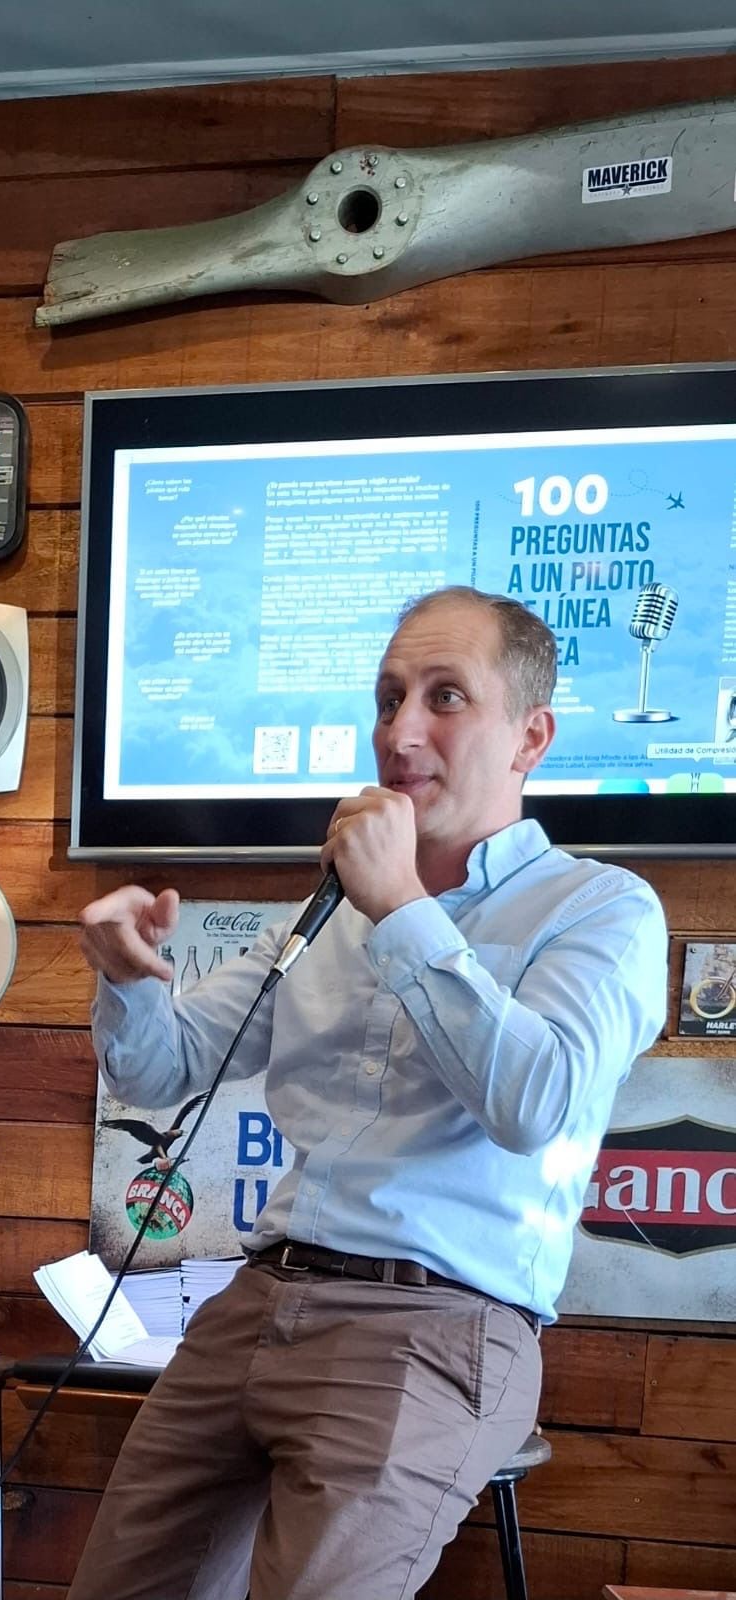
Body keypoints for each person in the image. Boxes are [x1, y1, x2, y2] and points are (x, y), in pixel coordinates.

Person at [72, 586, 667, 1600]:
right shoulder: (327, 914)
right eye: (388, 697)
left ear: (531, 738)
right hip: (256, 1297)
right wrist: (128, 975)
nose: (400, 732)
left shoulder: (601, 908)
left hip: (433, 1324)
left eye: (444, 698)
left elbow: (536, 1102)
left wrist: (398, 907)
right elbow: (161, 1069)